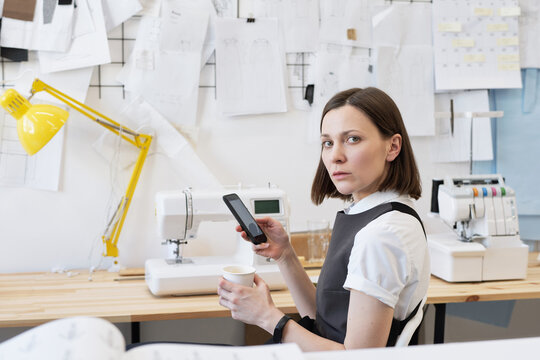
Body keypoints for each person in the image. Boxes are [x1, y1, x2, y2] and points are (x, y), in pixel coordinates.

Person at [217, 87, 430, 351]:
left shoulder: (382, 234)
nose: (335, 155)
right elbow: (326, 320)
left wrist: (267, 317)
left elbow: (357, 357)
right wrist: (285, 255)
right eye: (328, 143)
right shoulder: (370, 214)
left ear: (392, 146)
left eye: (352, 139)